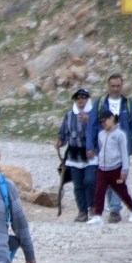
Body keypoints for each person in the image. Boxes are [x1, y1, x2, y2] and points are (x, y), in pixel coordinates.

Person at [86, 74, 132, 223]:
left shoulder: (128, 104)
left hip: (123, 148)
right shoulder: (100, 103)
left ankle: (115, 210)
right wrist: (89, 146)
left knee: (118, 181)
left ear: (122, 86)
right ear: (108, 86)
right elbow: (91, 125)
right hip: (104, 150)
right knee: (105, 183)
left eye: (118, 86)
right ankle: (104, 212)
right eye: (113, 86)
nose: (115, 89)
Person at [87, 111, 132, 224]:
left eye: (105, 121)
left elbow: (124, 153)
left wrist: (125, 169)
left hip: (115, 168)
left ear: (112, 118)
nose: (103, 124)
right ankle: (98, 215)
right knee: (99, 191)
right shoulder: (101, 134)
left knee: (122, 191)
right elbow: (101, 149)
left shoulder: (120, 135)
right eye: (101, 122)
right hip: (102, 168)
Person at [56, 88, 97, 222]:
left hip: (91, 154)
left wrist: (89, 120)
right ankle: (82, 211)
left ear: (87, 99)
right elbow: (63, 134)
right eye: (78, 98)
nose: (80, 100)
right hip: (74, 155)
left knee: (90, 181)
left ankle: (92, 205)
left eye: (83, 97)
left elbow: (101, 130)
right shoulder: (69, 116)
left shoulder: (94, 115)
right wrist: (60, 142)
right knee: (78, 185)